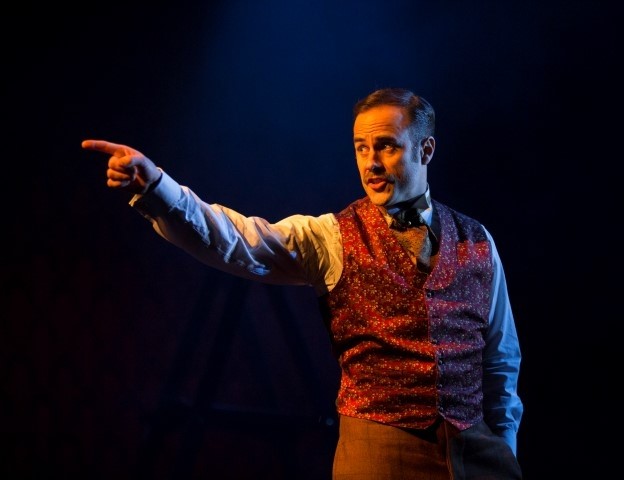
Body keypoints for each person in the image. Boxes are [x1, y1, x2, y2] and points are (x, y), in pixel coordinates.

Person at [82, 87, 524, 479]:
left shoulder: (477, 240)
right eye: (361, 148)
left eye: (386, 147)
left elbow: (500, 359)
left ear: (426, 150)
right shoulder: (331, 235)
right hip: (379, 454)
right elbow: (235, 240)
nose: (370, 163)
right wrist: (159, 187)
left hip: (476, 454)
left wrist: (503, 444)